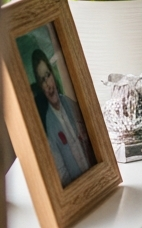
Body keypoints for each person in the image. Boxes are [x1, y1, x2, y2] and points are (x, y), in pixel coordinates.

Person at [32, 50, 95, 187]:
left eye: (48, 76)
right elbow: (62, 175)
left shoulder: (70, 103)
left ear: (53, 75)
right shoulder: (49, 126)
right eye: (42, 80)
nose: (48, 84)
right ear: (41, 87)